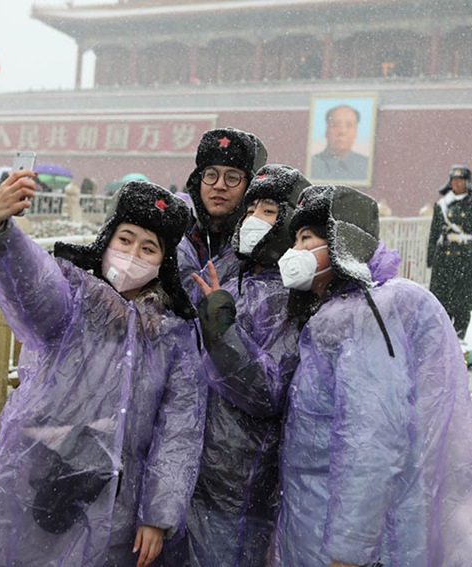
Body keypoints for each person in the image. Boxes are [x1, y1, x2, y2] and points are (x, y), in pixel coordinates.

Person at [0, 173, 205, 567]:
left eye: (149, 247)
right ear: (107, 240)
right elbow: (31, 286)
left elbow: (178, 432)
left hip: (120, 505)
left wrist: (158, 514)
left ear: (164, 261)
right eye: (125, 240)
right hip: (41, 480)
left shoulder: (173, 337)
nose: (133, 254)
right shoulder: (71, 300)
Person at [271, 184, 472, 567]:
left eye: (307, 238)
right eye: (294, 239)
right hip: (314, 522)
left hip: (339, 540)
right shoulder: (332, 312)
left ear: (342, 242)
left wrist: (350, 547)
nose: (295, 251)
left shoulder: (363, 316)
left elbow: (371, 438)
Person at [182, 164, 307, 566]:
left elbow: (266, 390)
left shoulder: (289, 295)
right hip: (190, 471)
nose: (255, 218)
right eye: (251, 207)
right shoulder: (229, 270)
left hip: (237, 487)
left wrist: (221, 332)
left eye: (269, 210)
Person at [177, 127, 267, 303]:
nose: (219, 185)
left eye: (232, 178)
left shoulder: (260, 250)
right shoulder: (174, 238)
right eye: (211, 175)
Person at [426, 165, 472, 340]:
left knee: (462, 304)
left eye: (461, 180)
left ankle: (459, 340)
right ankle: (443, 340)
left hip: (465, 259)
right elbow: (434, 233)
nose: (457, 183)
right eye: (454, 180)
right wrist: (431, 258)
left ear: (467, 183)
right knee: (441, 303)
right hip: (444, 259)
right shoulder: (441, 205)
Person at [309, 104, 370, 182]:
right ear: (326, 130)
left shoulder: (365, 166)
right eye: (336, 125)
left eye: (349, 125)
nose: (342, 132)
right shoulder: (312, 164)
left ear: (355, 132)